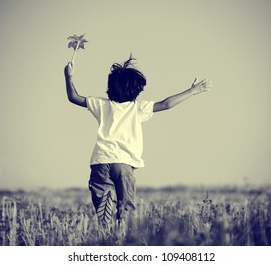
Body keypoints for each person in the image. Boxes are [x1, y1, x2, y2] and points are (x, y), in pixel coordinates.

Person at [64, 55, 211, 227]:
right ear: (136, 90)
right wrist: (192, 91)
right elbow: (166, 104)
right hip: (124, 164)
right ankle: (122, 228)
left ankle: (106, 214)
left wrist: (69, 76)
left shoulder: (101, 105)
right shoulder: (138, 108)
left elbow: (73, 97)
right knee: (126, 205)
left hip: (101, 161)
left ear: (110, 87)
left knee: (102, 200)